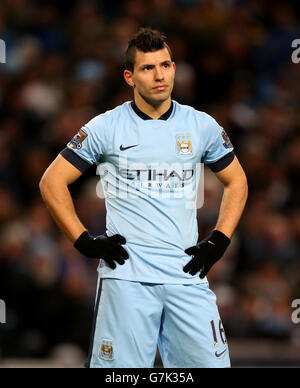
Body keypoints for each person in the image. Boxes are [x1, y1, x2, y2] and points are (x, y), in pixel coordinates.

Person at [39, 27, 248, 368]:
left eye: (165, 65)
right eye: (148, 68)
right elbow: (51, 182)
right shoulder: (106, 128)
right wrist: (83, 242)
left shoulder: (201, 126)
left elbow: (237, 181)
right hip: (126, 276)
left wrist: (219, 240)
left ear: (174, 68)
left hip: (186, 273)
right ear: (129, 77)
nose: (159, 75)